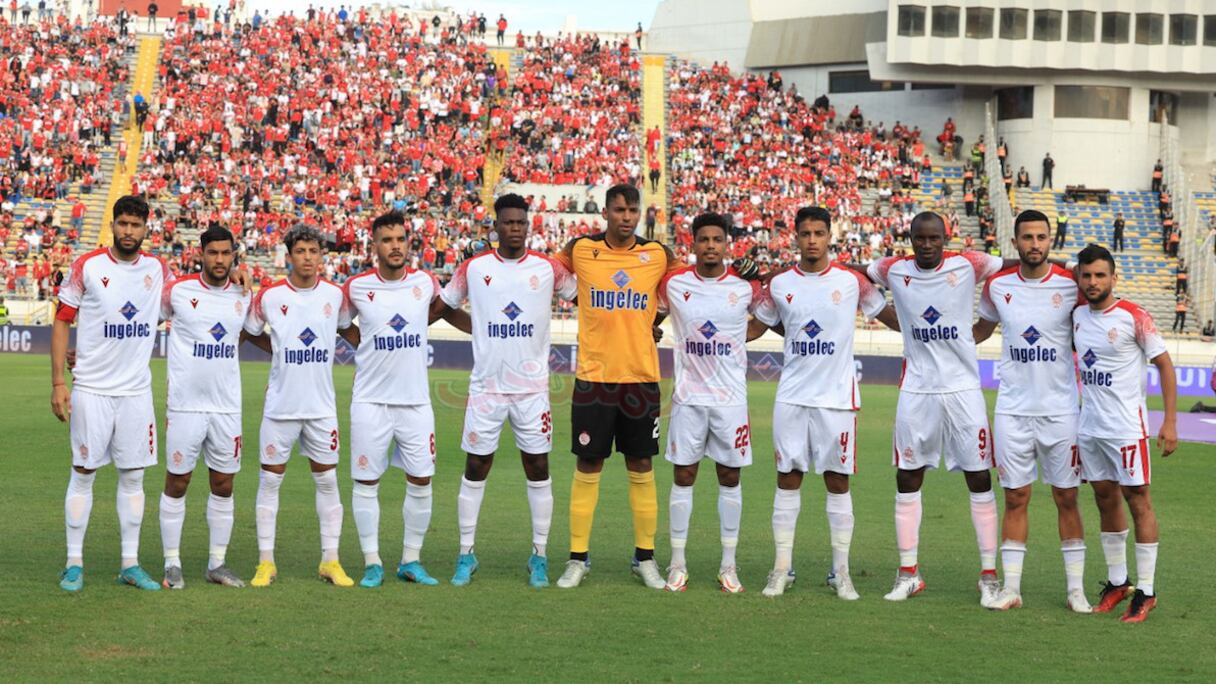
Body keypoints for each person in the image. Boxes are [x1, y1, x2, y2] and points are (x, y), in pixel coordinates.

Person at [551, 184, 756, 590]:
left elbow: (699, 282)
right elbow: (545, 271)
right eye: (619, 210)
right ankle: (577, 558)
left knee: (641, 466)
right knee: (587, 465)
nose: (626, 217)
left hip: (642, 379)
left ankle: (644, 558)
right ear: (605, 212)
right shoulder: (581, 250)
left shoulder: (659, 256)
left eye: (632, 210)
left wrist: (744, 274)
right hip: (593, 378)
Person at [849, 212, 1037, 607]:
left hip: (963, 390)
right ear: (911, 239)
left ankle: (989, 576)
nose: (927, 244)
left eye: (934, 238)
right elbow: (855, 273)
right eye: (920, 238)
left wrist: (1073, 266)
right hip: (916, 390)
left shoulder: (969, 263)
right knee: (908, 476)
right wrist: (885, 313)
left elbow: (1020, 263)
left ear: (945, 238)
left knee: (979, 477)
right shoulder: (894, 268)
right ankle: (908, 573)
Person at [752, 207, 897, 599]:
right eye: (806, 233)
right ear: (795, 237)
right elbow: (755, 325)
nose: (812, 240)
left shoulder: (852, 281)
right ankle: (781, 569)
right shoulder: (780, 283)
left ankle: (841, 572)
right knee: (788, 478)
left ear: (830, 236)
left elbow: (891, 316)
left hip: (836, 399)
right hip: (792, 397)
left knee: (837, 481)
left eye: (819, 233)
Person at [436, 195, 576, 588]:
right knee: (476, 466)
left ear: (528, 226)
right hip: (487, 389)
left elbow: (585, 298)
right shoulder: (475, 267)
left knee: (538, 468)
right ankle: (466, 553)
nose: (515, 228)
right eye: (508, 222)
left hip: (532, 391)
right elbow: (443, 306)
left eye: (521, 222)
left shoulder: (548, 268)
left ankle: (539, 555)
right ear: (496, 226)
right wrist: (477, 327)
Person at [972, 211, 1091, 613]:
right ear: (1015, 242)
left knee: (1067, 497)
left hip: (1061, 411)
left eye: (1041, 237)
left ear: (1050, 240)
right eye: (1028, 237)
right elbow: (981, 330)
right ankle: (1012, 589)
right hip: (1013, 411)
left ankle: (1075, 590)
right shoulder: (998, 285)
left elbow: (1099, 303)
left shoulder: (1071, 284)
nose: (1035, 244)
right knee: (1016, 497)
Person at [51, 195, 171, 592]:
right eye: (123, 223)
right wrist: (58, 382)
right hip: (92, 390)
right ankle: (73, 563)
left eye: (136, 225)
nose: (128, 231)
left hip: (135, 393)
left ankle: (130, 564)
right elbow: (62, 320)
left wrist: (236, 275)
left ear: (146, 228)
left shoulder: (157, 269)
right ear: (113, 225)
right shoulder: (88, 266)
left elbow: (194, 295)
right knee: (83, 472)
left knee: (133, 477)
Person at [341, 212, 453, 589]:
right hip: (370, 402)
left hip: (415, 402)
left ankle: (411, 559)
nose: (395, 246)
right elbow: (340, 321)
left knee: (421, 480)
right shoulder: (356, 287)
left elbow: (442, 309)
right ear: (374, 245)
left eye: (400, 239)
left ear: (408, 243)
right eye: (387, 240)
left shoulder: (424, 282)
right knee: (366, 482)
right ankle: (372, 562)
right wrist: (364, 344)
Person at [657, 212, 766, 594]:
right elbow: (652, 316)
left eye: (717, 240)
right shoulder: (675, 283)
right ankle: (677, 564)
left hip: (730, 401)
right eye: (703, 239)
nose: (710, 246)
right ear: (693, 243)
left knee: (729, 477)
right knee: (683, 476)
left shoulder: (743, 286)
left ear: (726, 244)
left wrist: (740, 335)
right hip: (688, 399)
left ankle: (728, 565)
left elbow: (767, 317)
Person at [243, 224, 354, 588]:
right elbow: (249, 331)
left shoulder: (335, 295)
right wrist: (277, 350)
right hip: (281, 407)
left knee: (327, 481)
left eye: (313, 251)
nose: (307, 257)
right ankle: (266, 562)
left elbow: (346, 330)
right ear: (289, 256)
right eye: (301, 251)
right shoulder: (270, 296)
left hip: (321, 408)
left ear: (322, 256)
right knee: (270, 481)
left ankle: (330, 560)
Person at [1072, 244, 1177, 623]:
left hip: (1126, 429)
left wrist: (1170, 421)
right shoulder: (1077, 315)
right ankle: (1118, 583)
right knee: (1104, 499)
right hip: (1090, 428)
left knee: (1138, 500)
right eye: (1086, 275)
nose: (1093, 282)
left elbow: (1164, 365)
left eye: (1100, 275)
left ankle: (1147, 591)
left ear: (1114, 278)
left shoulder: (1134, 316)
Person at [157, 226, 252, 589]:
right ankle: (172, 562)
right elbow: (143, 322)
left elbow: (256, 328)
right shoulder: (178, 291)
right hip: (185, 405)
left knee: (223, 483)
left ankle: (217, 563)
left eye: (226, 253)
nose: (219, 259)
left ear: (234, 255)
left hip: (227, 407)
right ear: (201, 254)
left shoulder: (244, 294)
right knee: (178, 481)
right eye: (213, 252)